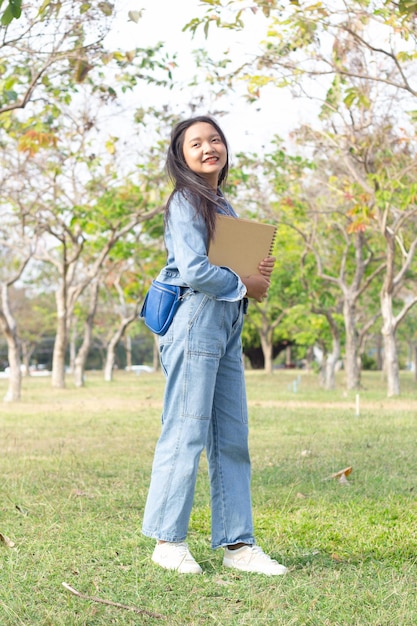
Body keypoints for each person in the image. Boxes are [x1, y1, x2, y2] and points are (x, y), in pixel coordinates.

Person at [141, 115, 288, 576]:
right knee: (185, 428)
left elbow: (228, 267)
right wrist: (244, 284)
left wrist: (256, 276)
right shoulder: (185, 200)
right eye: (196, 143)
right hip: (194, 319)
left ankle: (238, 546)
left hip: (225, 324)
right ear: (180, 156)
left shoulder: (220, 202)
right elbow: (193, 269)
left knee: (232, 435)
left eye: (215, 139)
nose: (208, 147)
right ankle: (168, 542)